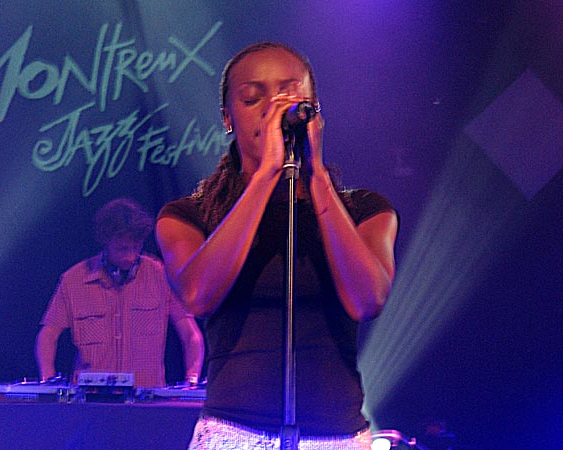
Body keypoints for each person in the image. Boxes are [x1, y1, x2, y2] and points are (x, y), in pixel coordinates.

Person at [156, 42, 398, 449]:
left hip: (338, 436)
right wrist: (268, 171)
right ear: (228, 117)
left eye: (290, 96)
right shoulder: (190, 215)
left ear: (314, 112)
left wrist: (316, 175)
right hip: (233, 435)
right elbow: (197, 295)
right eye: (254, 99)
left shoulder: (363, 210)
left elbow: (367, 300)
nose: (273, 110)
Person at [36, 198, 204, 388]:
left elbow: (191, 335)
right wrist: (48, 381)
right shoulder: (73, 281)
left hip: (146, 400)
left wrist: (192, 379)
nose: (130, 256)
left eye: (136, 247)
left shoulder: (162, 276)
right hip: (91, 399)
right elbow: (48, 335)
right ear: (105, 242)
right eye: (122, 249)